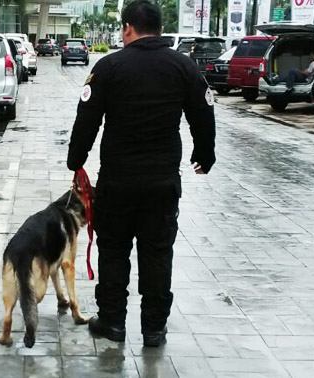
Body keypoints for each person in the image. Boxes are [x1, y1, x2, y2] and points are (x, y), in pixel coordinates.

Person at [66, 0, 215, 347]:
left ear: (128, 28)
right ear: (160, 29)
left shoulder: (110, 67)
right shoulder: (183, 67)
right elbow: (203, 112)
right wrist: (204, 154)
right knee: (157, 252)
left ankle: (113, 323)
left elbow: (87, 118)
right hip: (162, 183)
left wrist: (76, 160)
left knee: (114, 251)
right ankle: (154, 329)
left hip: (118, 182)